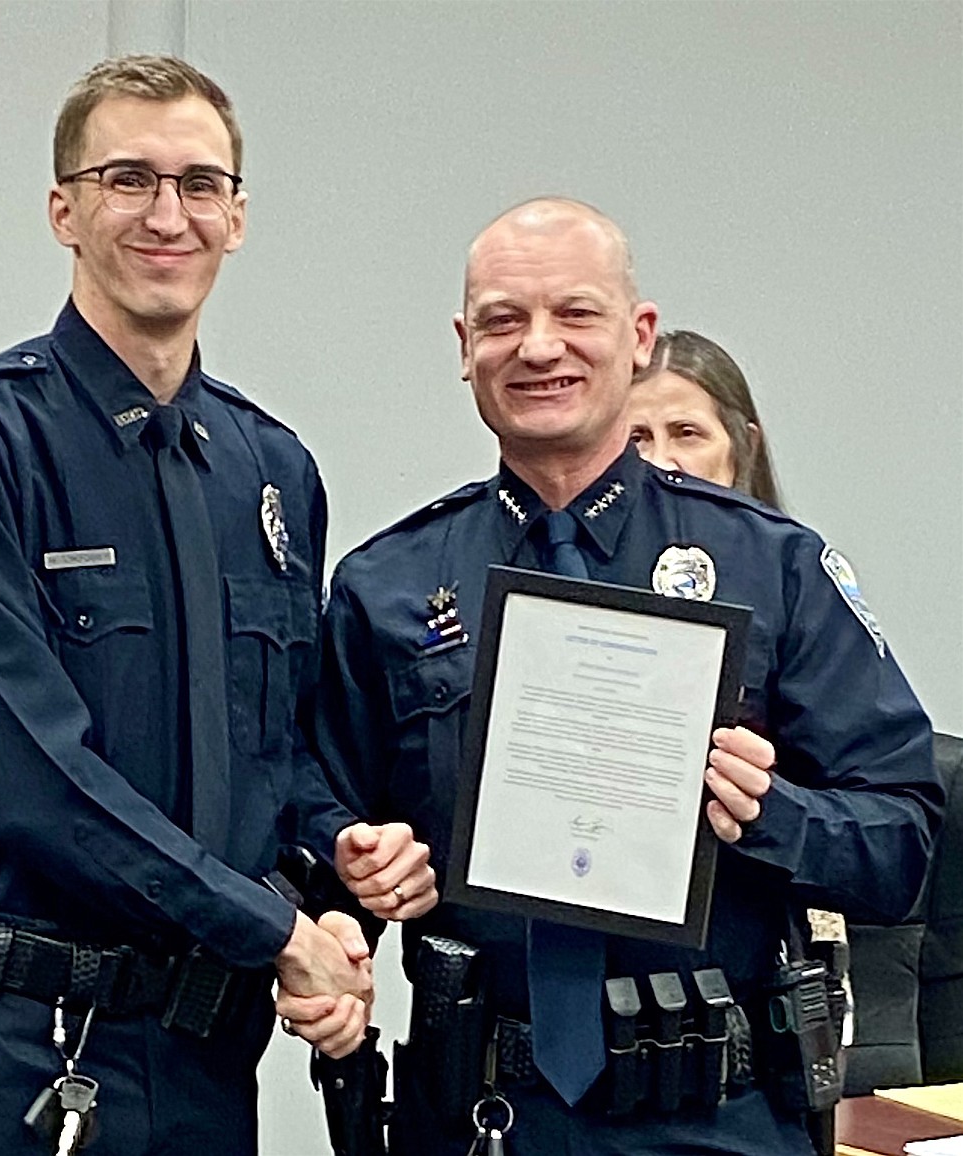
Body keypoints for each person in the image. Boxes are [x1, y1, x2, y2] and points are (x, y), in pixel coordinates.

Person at [0, 54, 433, 1156]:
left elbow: (276, 750)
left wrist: (337, 850)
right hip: (20, 1055)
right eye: (129, 179)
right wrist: (275, 930)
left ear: (238, 218)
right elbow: (27, 778)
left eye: (200, 184)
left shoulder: (270, 471)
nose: (169, 214)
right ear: (64, 210)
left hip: (208, 1059)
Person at [312, 198, 941, 1154]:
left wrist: (772, 813)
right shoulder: (388, 584)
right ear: (463, 345)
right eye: (503, 320)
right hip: (482, 1118)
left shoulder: (770, 567)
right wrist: (350, 871)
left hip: (713, 1115)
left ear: (638, 337)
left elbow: (904, 845)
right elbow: (310, 826)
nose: (538, 348)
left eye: (575, 314)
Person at [627, 329, 782, 508]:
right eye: (636, 439)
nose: (659, 463)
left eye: (687, 434)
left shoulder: (793, 537)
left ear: (746, 447)